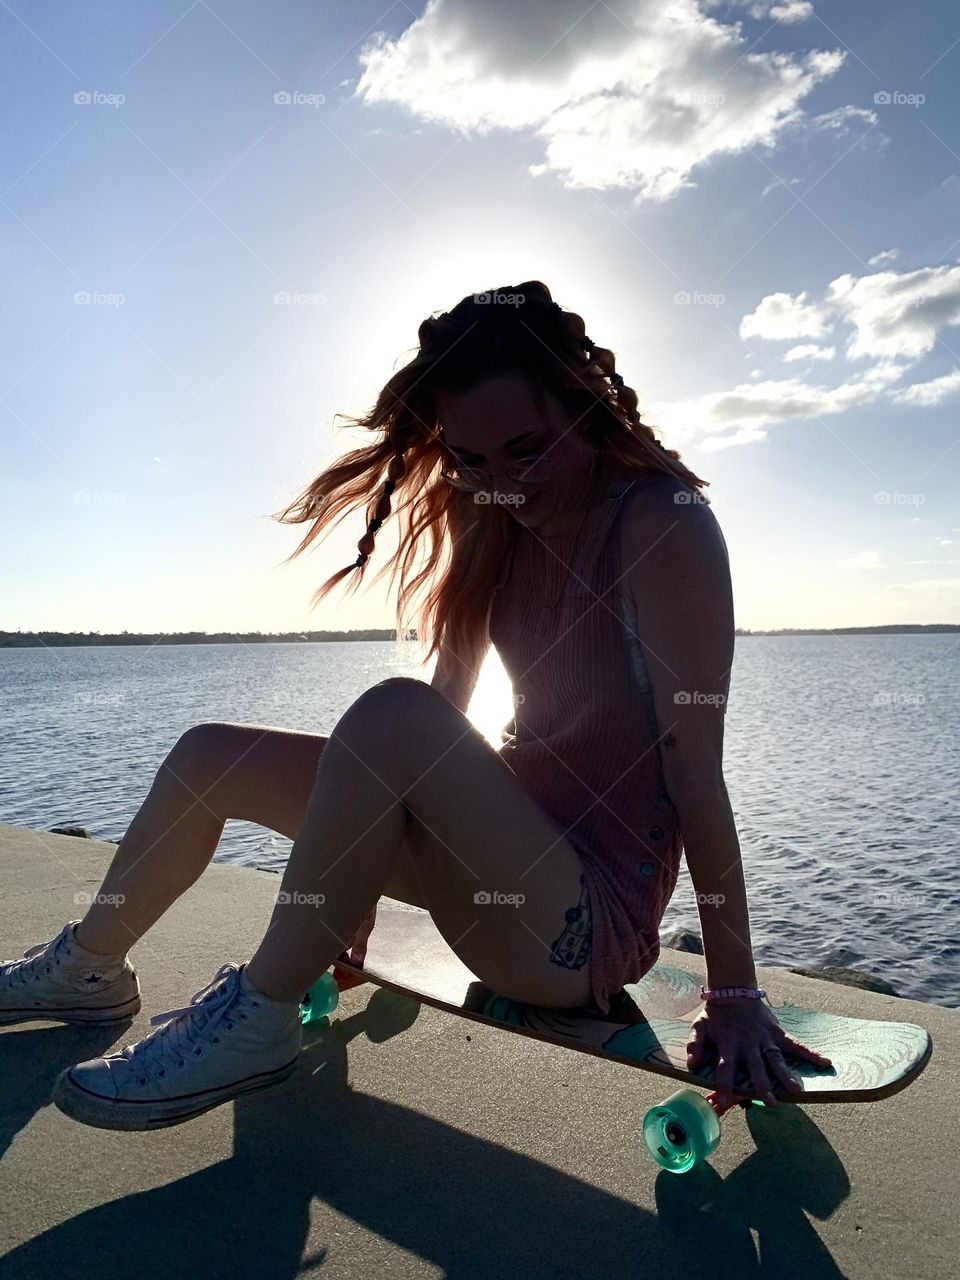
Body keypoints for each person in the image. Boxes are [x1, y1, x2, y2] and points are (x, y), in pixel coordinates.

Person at [0, 279, 830, 1131]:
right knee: (211, 755)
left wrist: (733, 990)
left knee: (392, 714)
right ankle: (88, 967)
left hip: (580, 926)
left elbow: (695, 770)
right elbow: (444, 716)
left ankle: (261, 1012)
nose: (500, 481)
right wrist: (348, 874)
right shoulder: (492, 515)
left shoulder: (664, 522)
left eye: (526, 450)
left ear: (582, 406)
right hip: (491, 864)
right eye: (470, 460)